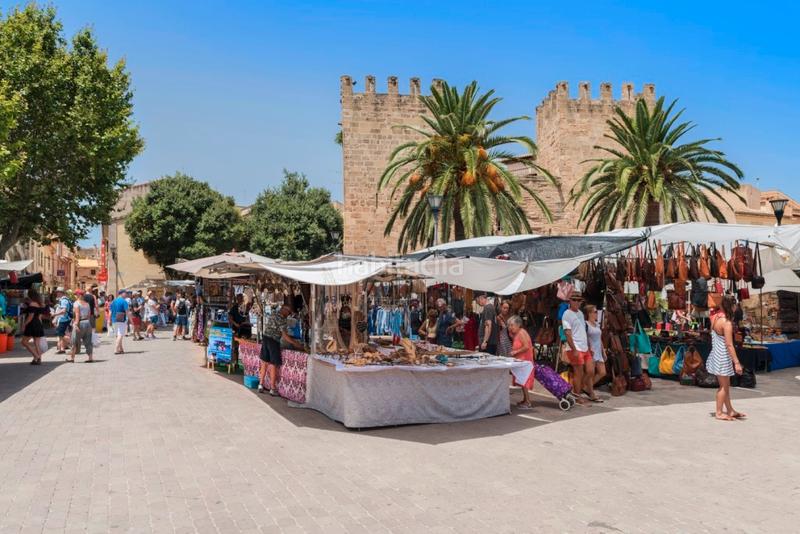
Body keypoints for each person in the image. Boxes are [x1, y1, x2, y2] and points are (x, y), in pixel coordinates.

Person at [708, 296, 745, 421]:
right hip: (723, 356)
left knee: (725, 385)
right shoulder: (727, 323)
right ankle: (719, 412)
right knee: (724, 387)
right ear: (732, 307)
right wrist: (737, 362)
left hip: (716, 354)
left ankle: (730, 410)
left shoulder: (714, 318)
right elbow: (729, 345)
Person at [259, 304, 303, 396]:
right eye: (288, 312)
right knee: (273, 364)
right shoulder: (282, 319)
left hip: (265, 338)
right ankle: (272, 388)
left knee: (264, 362)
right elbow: (285, 336)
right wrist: (296, 344)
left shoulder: (273, 313)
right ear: (284, 310)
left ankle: (261, 384)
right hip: (273, 341)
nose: (289, 314)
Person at [562, 291, 591, 405]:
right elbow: (568, 333)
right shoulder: (567, 314)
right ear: (570, 301)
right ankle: (577, 396)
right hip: (575, 347)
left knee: (589, 370)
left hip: (584, 347)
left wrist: (588, 345)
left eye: (579, 300)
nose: (577, 302)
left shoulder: (580, 313)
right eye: (575, 300)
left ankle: (575, 392)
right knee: (579, 373)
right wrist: (573, 349)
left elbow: (583, 331)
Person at [507, 315, 535, 409]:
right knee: (521, 380)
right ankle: (525, 399)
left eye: (512, 325)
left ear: (518, 325)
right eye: (509, 325)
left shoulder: (522, 332)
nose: (510, 327)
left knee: (524, 381)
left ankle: (527, 402)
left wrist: (515, 352)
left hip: (525, 361)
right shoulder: (518, 333)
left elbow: (526, 346)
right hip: (521, 360)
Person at [584, 305, 606, 403]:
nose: (597, 313)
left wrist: (603, 351)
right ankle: (591, 394)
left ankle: (586, 388)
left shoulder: (596, 324)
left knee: (602, 372)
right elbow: (585, 338)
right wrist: (588, 349)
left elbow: (599, 339)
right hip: (591, 351)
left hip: (598, 351)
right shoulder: (586, 324)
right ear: (589, 313)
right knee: (591, 373)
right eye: (595, 312)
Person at [20, 288, 46, 365]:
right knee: (36, 343)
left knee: (24, 342)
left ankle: (36, 356)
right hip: (38, 323)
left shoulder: (32, 304)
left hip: (32, 324)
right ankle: (38, 359)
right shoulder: (41, 304)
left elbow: (30, 317)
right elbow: (39, 317)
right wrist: (40, 325)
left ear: (30, 295)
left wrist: (24, 324)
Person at [69, 292, 95, 363]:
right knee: (88, 341)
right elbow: (89, 315)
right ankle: (90, 358)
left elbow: (77, 315)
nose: (75, 296)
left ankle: (72, 358)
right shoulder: (87, 304)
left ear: (79, 295)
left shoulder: (76, 303)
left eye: (76, 294)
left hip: (80, 322)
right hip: (87, 323)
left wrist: (76, 325)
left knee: (74, 340)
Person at [52, 287, 73, 354]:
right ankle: (62, 349)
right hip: (65, 318)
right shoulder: (65, 299)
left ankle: (73, 343)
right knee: (60, 335)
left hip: (64, 319)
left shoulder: (64, 300)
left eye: (58, 292)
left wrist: (55, 314)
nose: (56, 293)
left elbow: (63, 311)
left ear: (61, 293)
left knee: (61, 334)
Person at [109, 290, 129, 354]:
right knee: (120, 334)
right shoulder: (124, 301)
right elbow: (127, 312)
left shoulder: (113, 302)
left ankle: (121, 349)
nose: (126, 294)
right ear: (121, 293)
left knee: (118, 335)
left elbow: (110, 311)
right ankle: (116, 349)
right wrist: (131, 320)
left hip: (114, 319)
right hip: (121, 319)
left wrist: (109, 320)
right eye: (125, 293)